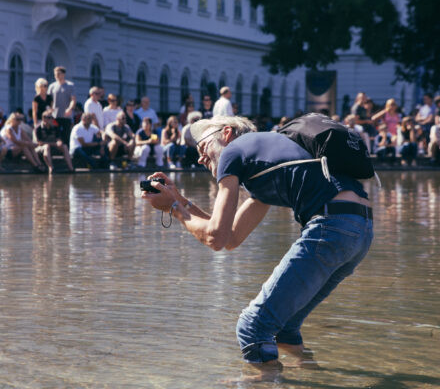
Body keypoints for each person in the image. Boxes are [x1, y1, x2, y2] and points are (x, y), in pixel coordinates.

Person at [142, 115, 373, 380]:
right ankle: (311, 379)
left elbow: (215, 237)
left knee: (252, 327)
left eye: (203, 146)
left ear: (226, 134)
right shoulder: (264, 166)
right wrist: (179, 200)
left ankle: (263, 384)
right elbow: (229, 238)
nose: (200, 158)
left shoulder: (232, 151)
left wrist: (173, 209)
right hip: (361, 230)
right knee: (284, 328)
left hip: (332, 226)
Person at [47, 66, 76, 144]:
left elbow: (73, 100)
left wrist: (70, 109)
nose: (56, 76)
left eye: (58, 74)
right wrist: (49, 109)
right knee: (56, 134)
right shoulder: (52, 86)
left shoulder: (70, 85)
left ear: (63, 74)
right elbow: (48, 100)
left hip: (66, 115)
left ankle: (67, 152)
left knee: (66, 133)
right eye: (55, 74)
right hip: (55, 115)